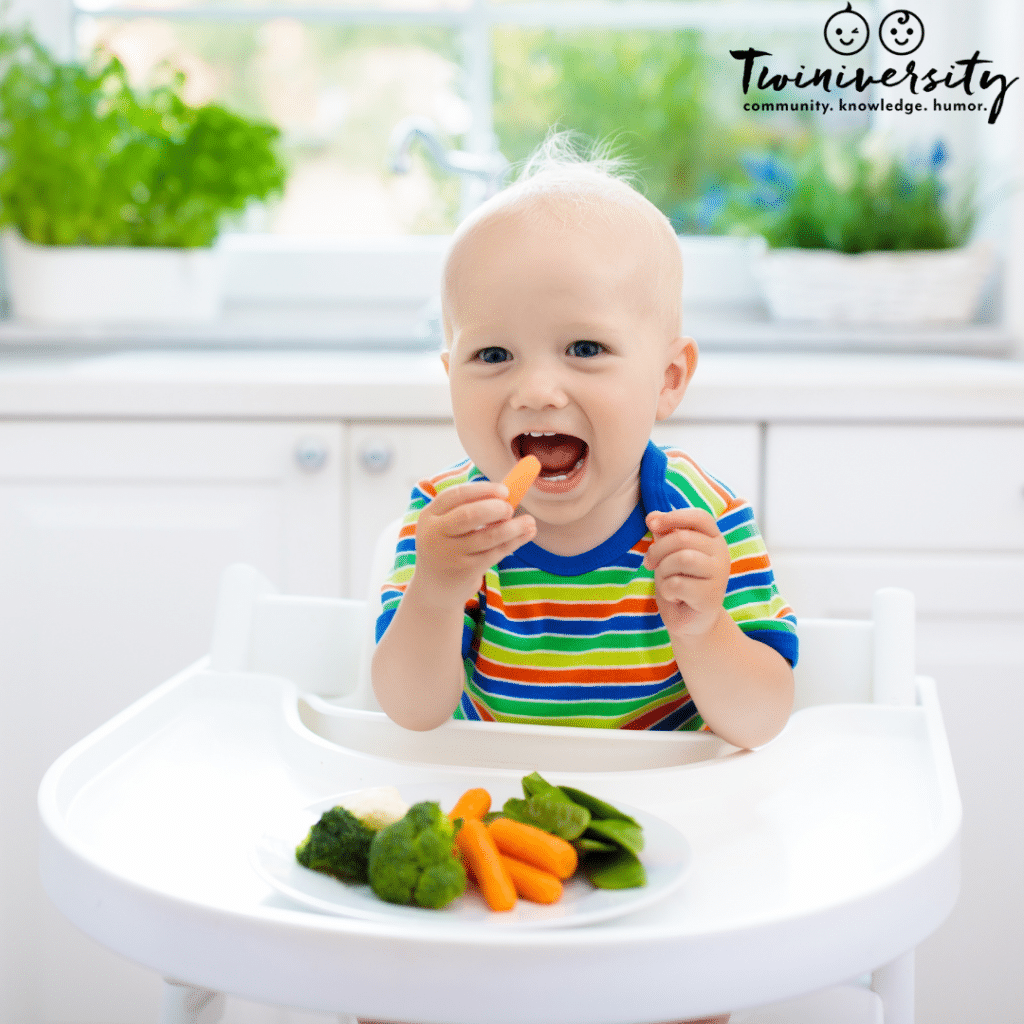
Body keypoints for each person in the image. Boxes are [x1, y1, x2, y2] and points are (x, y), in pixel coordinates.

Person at [370, 137, 798, 1024]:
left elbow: (760, 718)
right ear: (449, 377)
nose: (536, 389)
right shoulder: (445, 520)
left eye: (585, 348)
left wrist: (704, 627)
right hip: (493, 835)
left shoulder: (700, 522)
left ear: (668, 378)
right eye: (492, 357)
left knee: (690, 998)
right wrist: (439, 588)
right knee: (384, 995)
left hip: (670, 844)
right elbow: (411, 709)